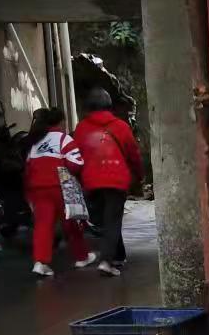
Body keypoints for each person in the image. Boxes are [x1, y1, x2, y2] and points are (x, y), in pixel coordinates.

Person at [73, 87, 143, 276]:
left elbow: (75, 155)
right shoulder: (120, 126)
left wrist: (78, 177)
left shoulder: (81, 128)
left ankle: (118, 255)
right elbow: (133, 154)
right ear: (109, 106)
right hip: (116, 179)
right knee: (112, 219)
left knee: (106, 220)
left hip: (91, 181)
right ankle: (106, 261)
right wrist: (139, 174)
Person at [23, 107, 95, 278]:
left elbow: (27, 167)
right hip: (61, 187)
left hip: (38, 188)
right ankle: (81, 257)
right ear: (62, 122)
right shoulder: (64, 139)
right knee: (72, 222)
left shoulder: (36, 142)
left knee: (43, 225)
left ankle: (41, 262)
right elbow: (76, 164)